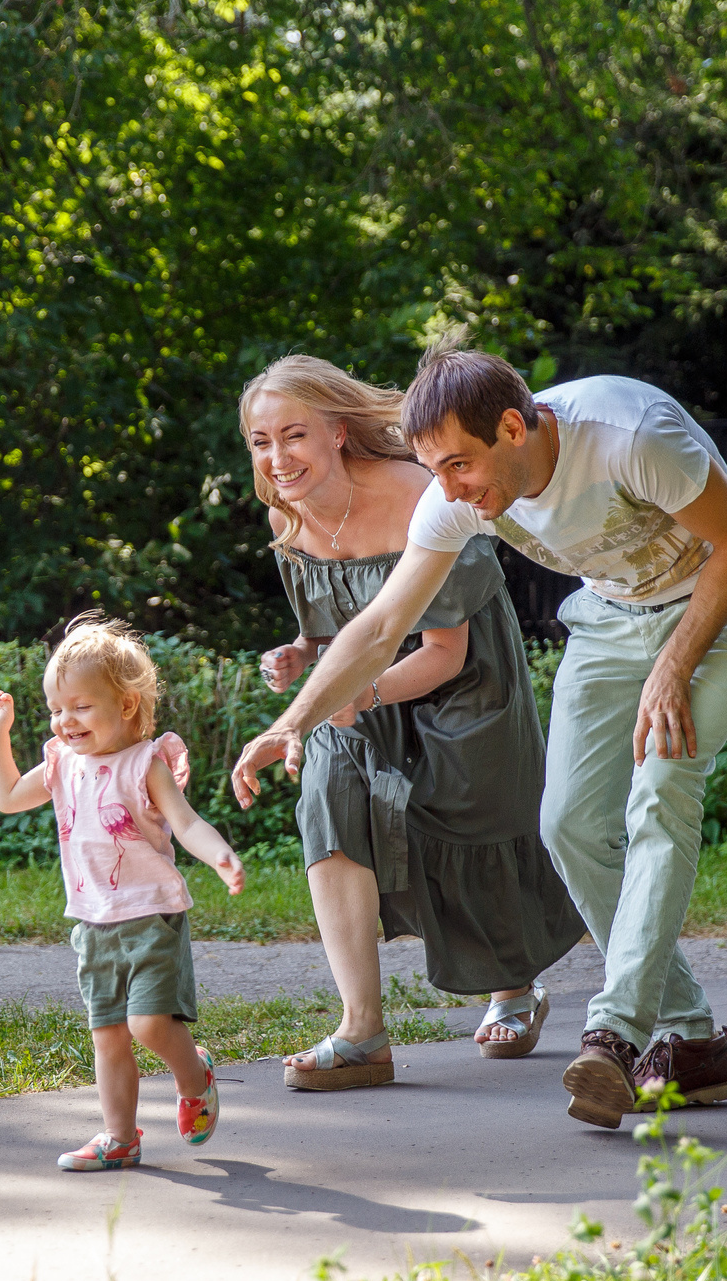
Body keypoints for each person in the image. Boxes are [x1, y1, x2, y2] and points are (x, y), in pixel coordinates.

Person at [231, 338, 727, 1129]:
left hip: (720, 608)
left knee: (661, 792)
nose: (450, 489)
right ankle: (692, 1039)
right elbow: (384, 623)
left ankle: (616, 1032)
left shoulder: (630, 436)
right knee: (566, 825)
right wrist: (292, 722)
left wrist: (674, 665)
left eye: (461, 465)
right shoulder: (453, 493)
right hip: (611, 617)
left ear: (518, 430)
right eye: (437, 469)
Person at [239, 356, 583, 1091]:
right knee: (327, 800)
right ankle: (361, 1030)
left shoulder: (412, 494)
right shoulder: (285, 513)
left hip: (459, 683)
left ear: (337, 431)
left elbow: (444, 651)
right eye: (260, 442)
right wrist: (301, 654)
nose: (277, 457)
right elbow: (337, 626)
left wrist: (358, 692)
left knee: (468, 821)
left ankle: (514, 987)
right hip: (361, 687)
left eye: (292, 435)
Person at [0, 614, 247, 1171]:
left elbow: (187, 823)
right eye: (56, 709)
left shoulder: (144, 763)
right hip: (92, 920)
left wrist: (219, 854)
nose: (63, 721)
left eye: (79, 706)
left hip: (151, 916)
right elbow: (5, 796)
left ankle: (194, 1075)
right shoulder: (60, 764)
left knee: (148, 1026)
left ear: (125, 705)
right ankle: (119, 1137)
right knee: (109, 1037)